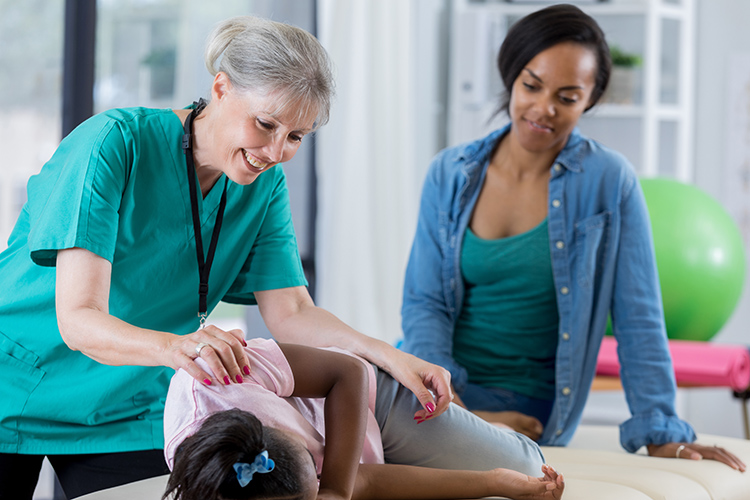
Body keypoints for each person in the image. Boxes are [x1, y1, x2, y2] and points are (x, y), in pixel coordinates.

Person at [0, 16, 451, 499]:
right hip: (17, 379)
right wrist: (178, 348)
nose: (276, 150)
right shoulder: (114, 143)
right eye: (266, 123)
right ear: (221, 87)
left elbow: (293, 313)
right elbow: (79, 319)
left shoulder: (262, 185)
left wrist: (387, 354)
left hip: (128, 406)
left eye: (296, 136)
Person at [399, 3, 745, 471]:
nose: (543, 109)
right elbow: (425, 304)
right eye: (531, 86)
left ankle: (477, 429)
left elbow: (637, 316)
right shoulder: (451, 172)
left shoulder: (608, 181)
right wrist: (447, 398)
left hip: (524, 405)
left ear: (590, 99)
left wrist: (661, 430)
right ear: (512, 76)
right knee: (341, 400)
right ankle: (463, 421)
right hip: (437, 386)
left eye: (567, 96)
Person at [163, 338, 564, 500]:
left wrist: (336, 490)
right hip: (349, 451)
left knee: (527, 463)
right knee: (510, 478)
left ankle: (482, 419)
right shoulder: (218, 486)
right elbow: (364, 480)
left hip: (363, 398)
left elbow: (348, 374)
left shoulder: (221, 371)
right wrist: (493, 482)